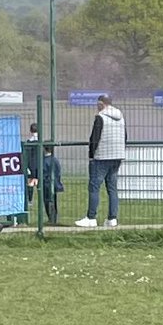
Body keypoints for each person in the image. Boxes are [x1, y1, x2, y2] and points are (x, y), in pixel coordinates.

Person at [75, 95, 126, 229]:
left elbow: (94, 138)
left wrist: (91, 155)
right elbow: (125, 136)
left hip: (102, 157)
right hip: (117, 156)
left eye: (98, 104)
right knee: (112, 188)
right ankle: (112, 218)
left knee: (94, 187)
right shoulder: (121, 117)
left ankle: (91, 218)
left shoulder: (100, 117)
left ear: (101, 104)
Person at [42, 145, 64, 224]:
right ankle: (53, 218)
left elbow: (43, 173)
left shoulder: (44, 161)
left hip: (47, 184)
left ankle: (51, 218)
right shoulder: (55, 160)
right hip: (55, 183)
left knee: (47, 201)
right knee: (53, 201)